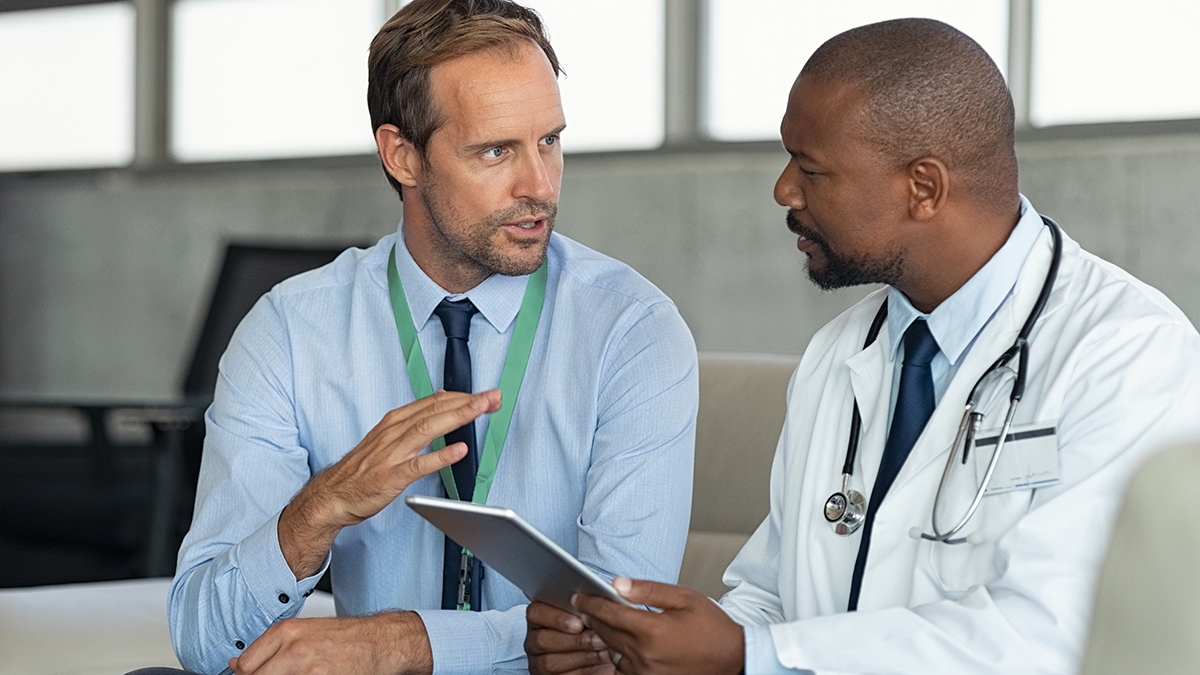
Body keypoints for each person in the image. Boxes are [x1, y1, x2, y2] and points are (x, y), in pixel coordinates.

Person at [525, 18, 1200, 675]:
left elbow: (1053, 640)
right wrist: (650, 646)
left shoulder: (1128, 357)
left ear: (924, 188)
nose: (782, 190)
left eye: (811, 170)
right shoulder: (839, 352)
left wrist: (747, 656)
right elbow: (774, 599)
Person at [164, 1, 698, 674]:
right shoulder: (291, 333)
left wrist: (405, 644)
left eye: (550, 140)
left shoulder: (633, 333)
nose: (540, 185)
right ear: (402, 155)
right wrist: (319, 508)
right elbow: (205, 642)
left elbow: (620, 637)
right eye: (496, 150)